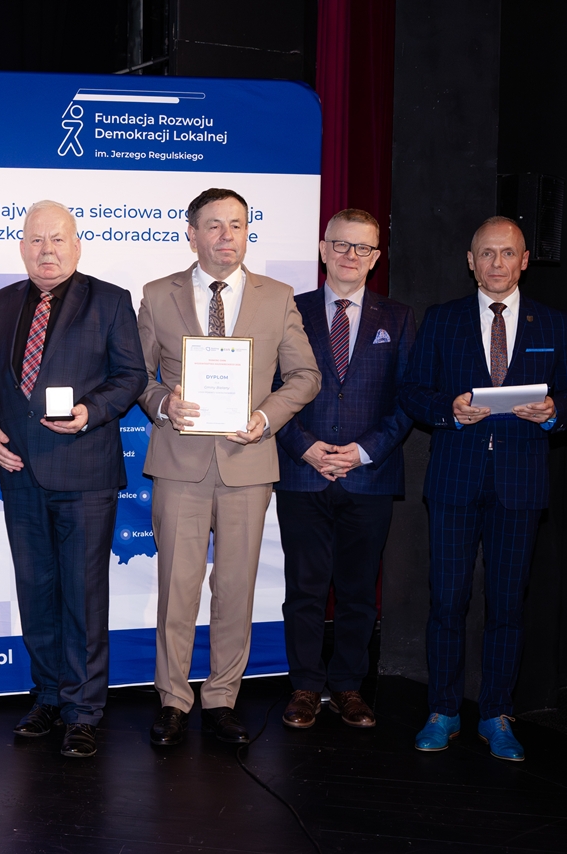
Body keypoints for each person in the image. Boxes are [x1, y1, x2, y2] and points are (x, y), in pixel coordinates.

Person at [400, 216, 567, 761]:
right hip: (455, 481)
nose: (497, 263)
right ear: (470, 261)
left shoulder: (554, 323)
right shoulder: (442, 319)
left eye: (507, 253)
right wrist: (448, 410)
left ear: (525, 260)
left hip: (520, 484)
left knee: (507, 605)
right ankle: (442, 711)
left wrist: (555, 410)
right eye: (486, 253)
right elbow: (413, 391)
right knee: (447, 602)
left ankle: (496, 714)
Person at [136, 188, 320, 747]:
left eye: (236, 225)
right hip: (179, 463)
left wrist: (265, 418)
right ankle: (173, 699)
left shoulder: (278, 297)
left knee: (236, 589)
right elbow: (137, 376)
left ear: (247, 233)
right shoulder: (157, 294)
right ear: (191, 234)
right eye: (213, 225)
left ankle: (221, 698)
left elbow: (305, 376)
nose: (226, 236)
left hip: (248, 462)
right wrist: (164, 404)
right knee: (177, 588)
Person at [0, 200, 146, 758]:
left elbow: (131, 376)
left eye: (57, 239)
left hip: (85, 473)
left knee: (84, 598)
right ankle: (47, 696)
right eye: (36, 240)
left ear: (76, 245)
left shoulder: (111, 300)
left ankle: (83, 711)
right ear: (22, 246)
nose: (46, 250)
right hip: (20, 473)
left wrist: (90, 411)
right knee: (36, 591)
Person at [273, 209, 416, 730]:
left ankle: (349, 687)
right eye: (340, 244)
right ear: (323, 248)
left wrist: (363, 451)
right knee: (304, 590)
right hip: (302, 472)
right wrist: (305, 447)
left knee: (358, 592)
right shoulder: (289, 309)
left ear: (376, 257)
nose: (350, 255)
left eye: (363, 248)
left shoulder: (399, 318)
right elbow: (269, 389)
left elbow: (410, 397)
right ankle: (305, 687)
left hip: (369, 475)